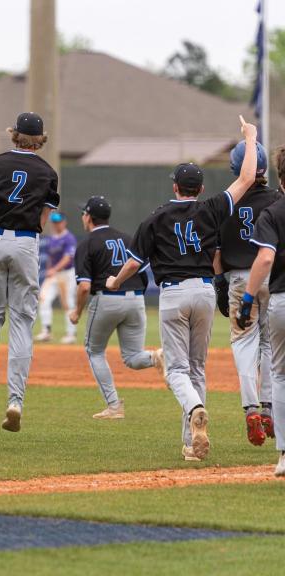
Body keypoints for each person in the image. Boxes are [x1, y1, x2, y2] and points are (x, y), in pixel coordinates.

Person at [106, 116, 258, 461]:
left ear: (175, 187)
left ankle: (195, 410)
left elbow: (134, 263)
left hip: (173, 294)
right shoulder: (210, 209)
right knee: (197, 368)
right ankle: (192, 444)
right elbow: (247, 177)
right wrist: (251, 137)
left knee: (176, 370)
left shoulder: (155, 218)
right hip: (204, 291)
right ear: (200, 189)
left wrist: (115, 280)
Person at [0, 112, 60, 432]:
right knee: (22, 321)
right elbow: (42, 220)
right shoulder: (48, 172)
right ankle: (16, 400)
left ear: (14, 135)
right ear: (40, 140)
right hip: (26, 243)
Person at [69, 196, 164, 419]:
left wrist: (76, 312)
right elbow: (139, 268)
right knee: (133, 357)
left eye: (84, 213)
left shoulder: (87, 243)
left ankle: (114, 407)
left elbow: (84, 287)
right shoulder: (127, 238)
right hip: (136, 300)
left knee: (94, 351)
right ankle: (158, 356)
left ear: (89, 217)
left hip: (107, 299)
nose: (82, 216)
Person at [215, 141, 282, 446]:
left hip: (240, 279)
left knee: (244, 342)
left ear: (234, 168)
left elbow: (215, 249)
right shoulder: (277, 198)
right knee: (270, 343)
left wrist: (218, 281)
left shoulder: (226, 201)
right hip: (272, 276)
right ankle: (268, 407)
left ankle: (251, 407)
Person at [238, 146, 285, 477]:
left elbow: (265, 258)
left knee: (280, 376)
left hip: (282, 300)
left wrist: (247, 298)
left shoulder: (273, 212)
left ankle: (284, 455)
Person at [35, 212, 78, 344]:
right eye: (54, 222)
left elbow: (67, 258)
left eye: (58, 221)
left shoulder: (69, 238)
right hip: (54, 274)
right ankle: (46, 331)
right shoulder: (52, 239)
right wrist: (50, 269)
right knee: (43, 298)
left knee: (68, 304)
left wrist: (53, 269)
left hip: (66, 274)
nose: (56, 224)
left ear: (64, 222)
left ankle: (71, 334)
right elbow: (50, 258)